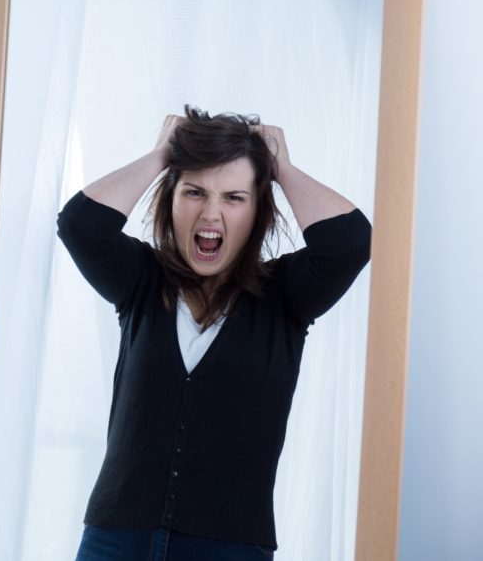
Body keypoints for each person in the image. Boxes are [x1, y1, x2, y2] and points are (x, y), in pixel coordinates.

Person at [58, 107, 371, 561]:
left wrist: (281, 168)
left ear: (258, 208)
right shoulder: (142, 281)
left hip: (231, 547)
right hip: (116, 540)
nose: (211, 213)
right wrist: (160, 155)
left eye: (234, 197)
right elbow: (80, 226)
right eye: (194, 192)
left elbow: (350, 242)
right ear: (170, 199)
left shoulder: (283, 297)